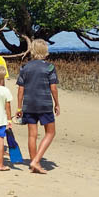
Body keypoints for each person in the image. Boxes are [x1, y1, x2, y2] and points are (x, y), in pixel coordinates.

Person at [15, 39, 59, 174]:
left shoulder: (25, 67)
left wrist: (19, 107)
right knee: (50, 132)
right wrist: (57, 103)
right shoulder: (49, 67)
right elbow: (53, 87)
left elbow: (20, 89)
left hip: (29, 104)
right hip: (44, 104)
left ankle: (34, 163)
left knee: (32, 135)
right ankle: (36, 160)